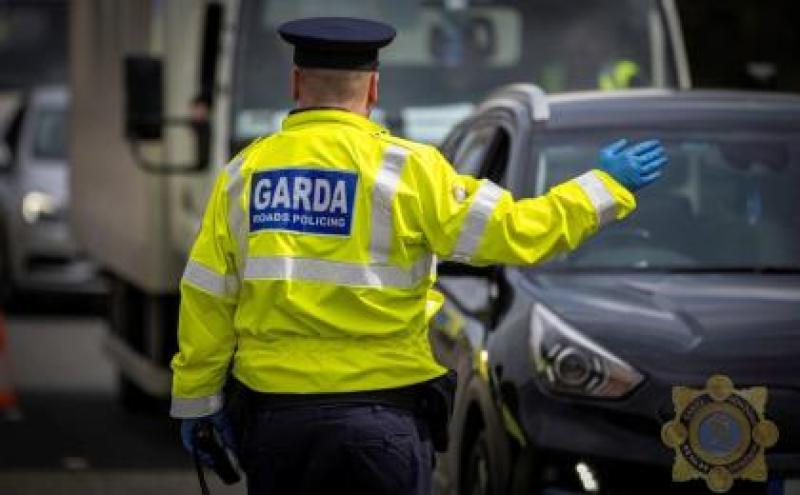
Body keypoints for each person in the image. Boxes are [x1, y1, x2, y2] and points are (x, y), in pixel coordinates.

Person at [170, 17, 667, 495]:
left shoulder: (243, 174)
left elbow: (206, 296)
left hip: (279, 426)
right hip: (380, 422)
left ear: (296, 83)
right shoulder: (409, 170)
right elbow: (517, 232)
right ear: (373, 88)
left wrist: (197, 403)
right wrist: (604, 187)